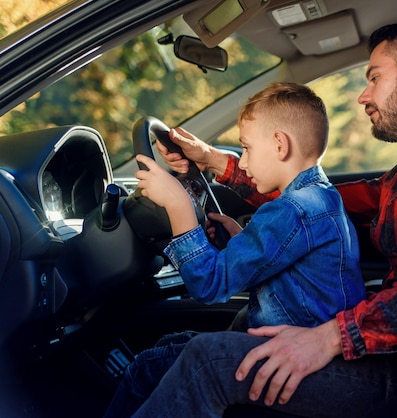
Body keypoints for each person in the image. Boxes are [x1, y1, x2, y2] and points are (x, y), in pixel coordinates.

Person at [119, 19, 397, 417]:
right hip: (389, 356)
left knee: (208, 359)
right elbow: (312, 199)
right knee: (159, 360)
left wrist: (331, 337)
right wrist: (214, 162)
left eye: (374, 77)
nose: (363, 96)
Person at [104, 82, 366, 417]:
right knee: (168, 348)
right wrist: (240, 239)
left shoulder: (292, 209)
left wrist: (178, 205)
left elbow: (209, 285)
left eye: (246, 149)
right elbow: (284, 265)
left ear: (280, 145)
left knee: (144, 369)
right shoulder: (322, 198)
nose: (242, 164)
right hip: (298, 338)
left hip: (298, 360)